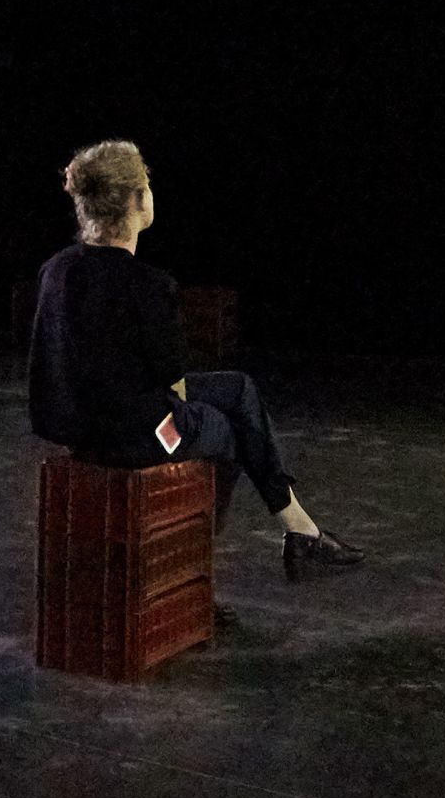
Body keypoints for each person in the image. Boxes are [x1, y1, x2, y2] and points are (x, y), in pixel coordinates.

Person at [26, 139, 363, 580]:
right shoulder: (148, 285)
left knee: (239, 388)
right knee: (230, 433)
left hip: (77, 426)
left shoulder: (56, 269)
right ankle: (189, 564)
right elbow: (175, 387)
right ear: (136, 200)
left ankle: (300, 529)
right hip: (135, 436)